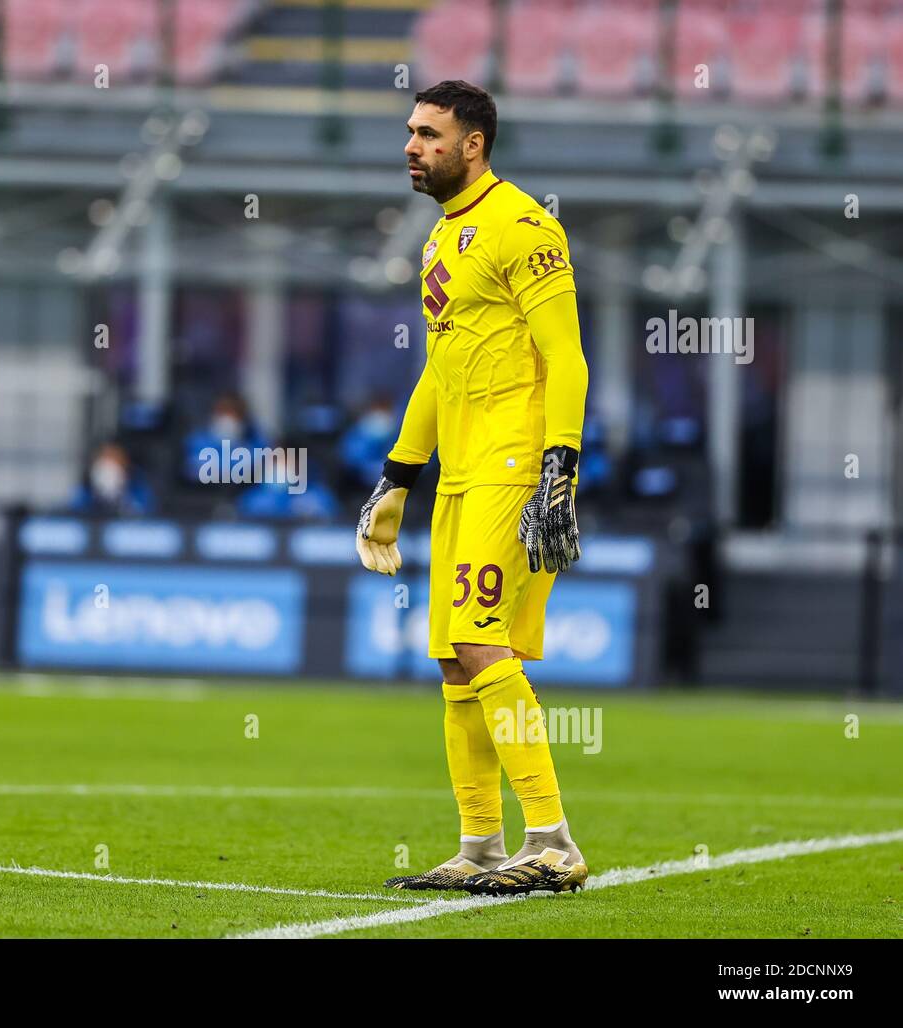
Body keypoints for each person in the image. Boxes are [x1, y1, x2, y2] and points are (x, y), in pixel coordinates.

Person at [354, 80, 590, 896]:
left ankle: (553, 839)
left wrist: (561, 462)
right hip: (459, 470)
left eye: (428, 134)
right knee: (456, 661)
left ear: (474, 143)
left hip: (514, 464)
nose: (412, 147)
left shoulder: (526, 227)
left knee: (485, 645)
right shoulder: (443, 238)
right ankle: (481, 844)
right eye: (410, 133)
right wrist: (397, 476)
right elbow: (438, 370)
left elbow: (567, 355)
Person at [69, 442, 156, 517]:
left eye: (112, 472)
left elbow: (146, 514)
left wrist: (122, 499)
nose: (107, 478)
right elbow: (74, 514)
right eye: (103, 471)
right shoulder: (85, 492)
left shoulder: (138, 489)